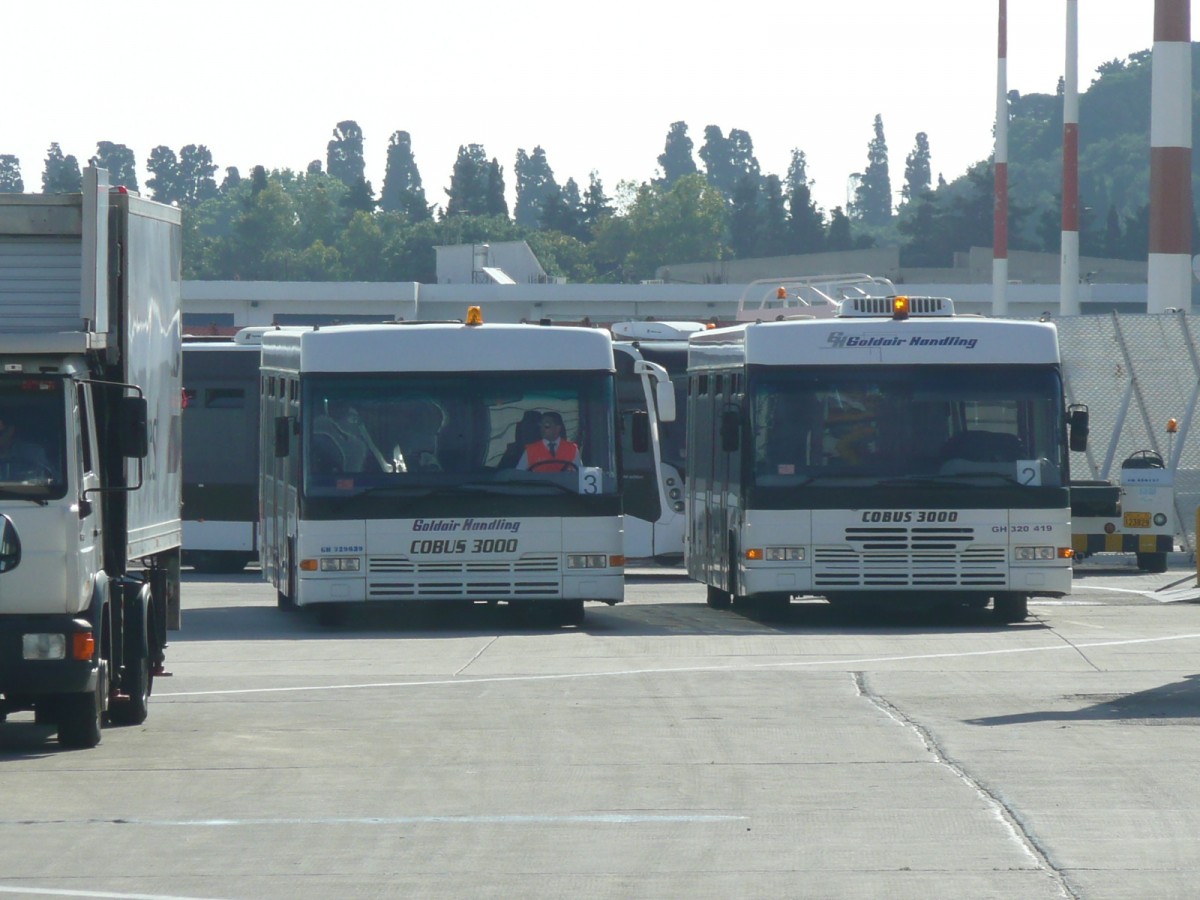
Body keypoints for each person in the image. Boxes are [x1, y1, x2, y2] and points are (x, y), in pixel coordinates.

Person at [516, 411, 581, 472]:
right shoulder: (530, 450)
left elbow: (579, 476)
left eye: (546, 425)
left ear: (557, 428)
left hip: (565, 484)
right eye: (540, 425)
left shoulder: (572, 449)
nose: (542, 428)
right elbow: (519, 475)